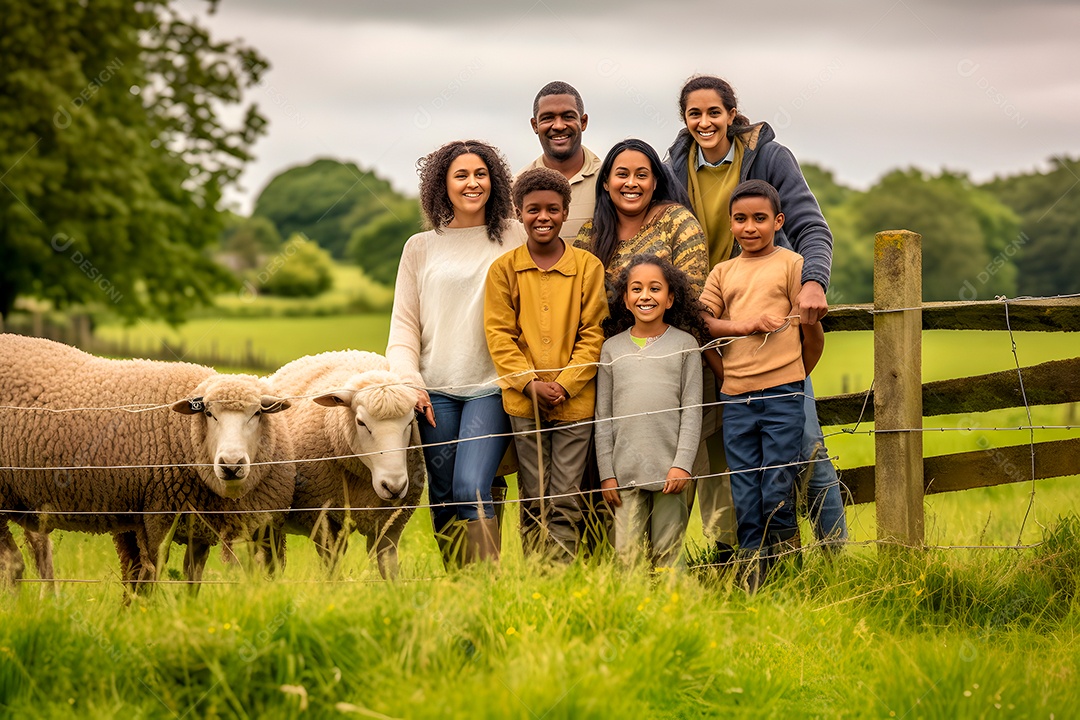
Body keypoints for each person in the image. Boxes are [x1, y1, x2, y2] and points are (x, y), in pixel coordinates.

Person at [665, 74, 848, 552]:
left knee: (804, 445)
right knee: (727, 452)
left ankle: (834, 555)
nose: (705, 122)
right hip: (711, 321)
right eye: (694, 114)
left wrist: (812, 282)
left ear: (731, 114)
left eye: (713, 112)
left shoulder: (769, 156)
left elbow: (812, 226)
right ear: (684, 119)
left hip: (772, 324)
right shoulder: (673, 168)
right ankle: (747, 557)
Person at [386, 140, 525, 567]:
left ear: (494, 180)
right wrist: (411, 382)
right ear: (442, 185)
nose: (472, 183)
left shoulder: (515, 236)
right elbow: (404, 327)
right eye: (461, 175)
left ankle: (485, 588)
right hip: (435, 389)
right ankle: (459, 589)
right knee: (443, 493)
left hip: (491, 384)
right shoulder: (420, 247)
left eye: (480, 174)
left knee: (470, 486)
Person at [699, 180, 825, 592]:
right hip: (736, 398)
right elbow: (704, 325)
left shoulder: (791, 265)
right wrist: (738, 346)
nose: (749, 227)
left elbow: (813, 334)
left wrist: (792, 373)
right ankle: (753, 577)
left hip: (784, 395)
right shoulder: (723, 273)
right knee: (744, 490)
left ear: (778, 221)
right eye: (740, 219)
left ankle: (788, 573)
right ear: (729, 223)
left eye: (759, 218)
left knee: (777, 486)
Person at [484, 167, 607, 562]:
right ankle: (537, 577)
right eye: (533, 209)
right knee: (534, 497)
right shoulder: (504, 270)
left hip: (575, 404)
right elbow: (499, 336)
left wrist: (567, 384)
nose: (543, 217)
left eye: (553, 209)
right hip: (524, 404)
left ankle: (561, 577)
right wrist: (528, 382)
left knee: (567, 497)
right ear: (519, 212)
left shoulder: (588, 268)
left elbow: (594, 333)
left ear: (566, 210)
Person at [596, 254, 705, 569]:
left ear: (670, 298)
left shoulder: (685, 346)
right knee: (627, 556)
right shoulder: (611, 350)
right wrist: (607, 474)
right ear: (626, 300)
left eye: (655, 289)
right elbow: (603, 417)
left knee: (668, 554)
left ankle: (672, 610)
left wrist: (682, 465)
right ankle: (631, 611)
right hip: (624, 474)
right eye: (637, 289)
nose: (646, 296)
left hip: (670, 473)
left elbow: (693, 411)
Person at [575, 138, 708, 296]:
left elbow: (693, 295)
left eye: (641, 175)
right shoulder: (590, 234)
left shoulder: (678, 222)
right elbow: (574, 293)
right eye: (622, 174)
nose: (631, 183)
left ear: (654, 182)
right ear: (606, 182)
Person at [519, 81, 602, 239]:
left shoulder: (608, 181)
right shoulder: (517, 186)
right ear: (534, 125)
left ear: (583, 122)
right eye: (548, 118)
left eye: (568, 117)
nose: (558, 126)